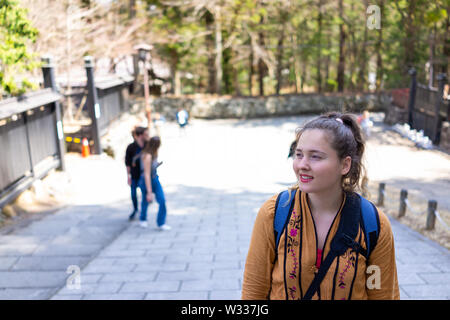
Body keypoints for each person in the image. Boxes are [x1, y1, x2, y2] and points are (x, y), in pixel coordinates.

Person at [242, 112, 399, 300]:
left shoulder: (373, 225)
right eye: (298, 155)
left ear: (345, 165)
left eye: (315, 157)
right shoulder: (275, 213)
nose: (302, 165)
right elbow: (254, 290)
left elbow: (382, 294)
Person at [139, 136, 171, 230]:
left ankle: (161, 222)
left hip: (154, 178)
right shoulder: (147, 156)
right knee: (146, 200)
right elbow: (146, 174)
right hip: (146, 180)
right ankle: (143, 219)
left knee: (162, 200)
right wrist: (149, 191)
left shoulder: (154, 153)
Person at [125, 126, 149, 221]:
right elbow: (127, 163)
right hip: (135, 175)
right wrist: (128, 176)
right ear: (140, 135)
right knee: (133, 194)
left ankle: (143, 213)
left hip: (144, 175)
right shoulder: (131, 147)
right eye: (145, 134)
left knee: (145, 194)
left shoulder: (147, 145)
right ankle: (135, 209)